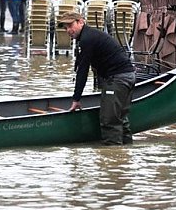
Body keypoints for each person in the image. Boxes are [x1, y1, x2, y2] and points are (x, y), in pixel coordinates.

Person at [58, 11, 136, 145]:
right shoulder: (89, 35)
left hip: (118, 79)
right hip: (127, 76)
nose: (68, 30)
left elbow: (83, 71)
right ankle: (125, 156)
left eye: (70, 25)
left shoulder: (87, 39)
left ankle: (112, 158)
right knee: (120, 119)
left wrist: (76, 98)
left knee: (109, 121)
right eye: (65, 28)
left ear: (81, 22)